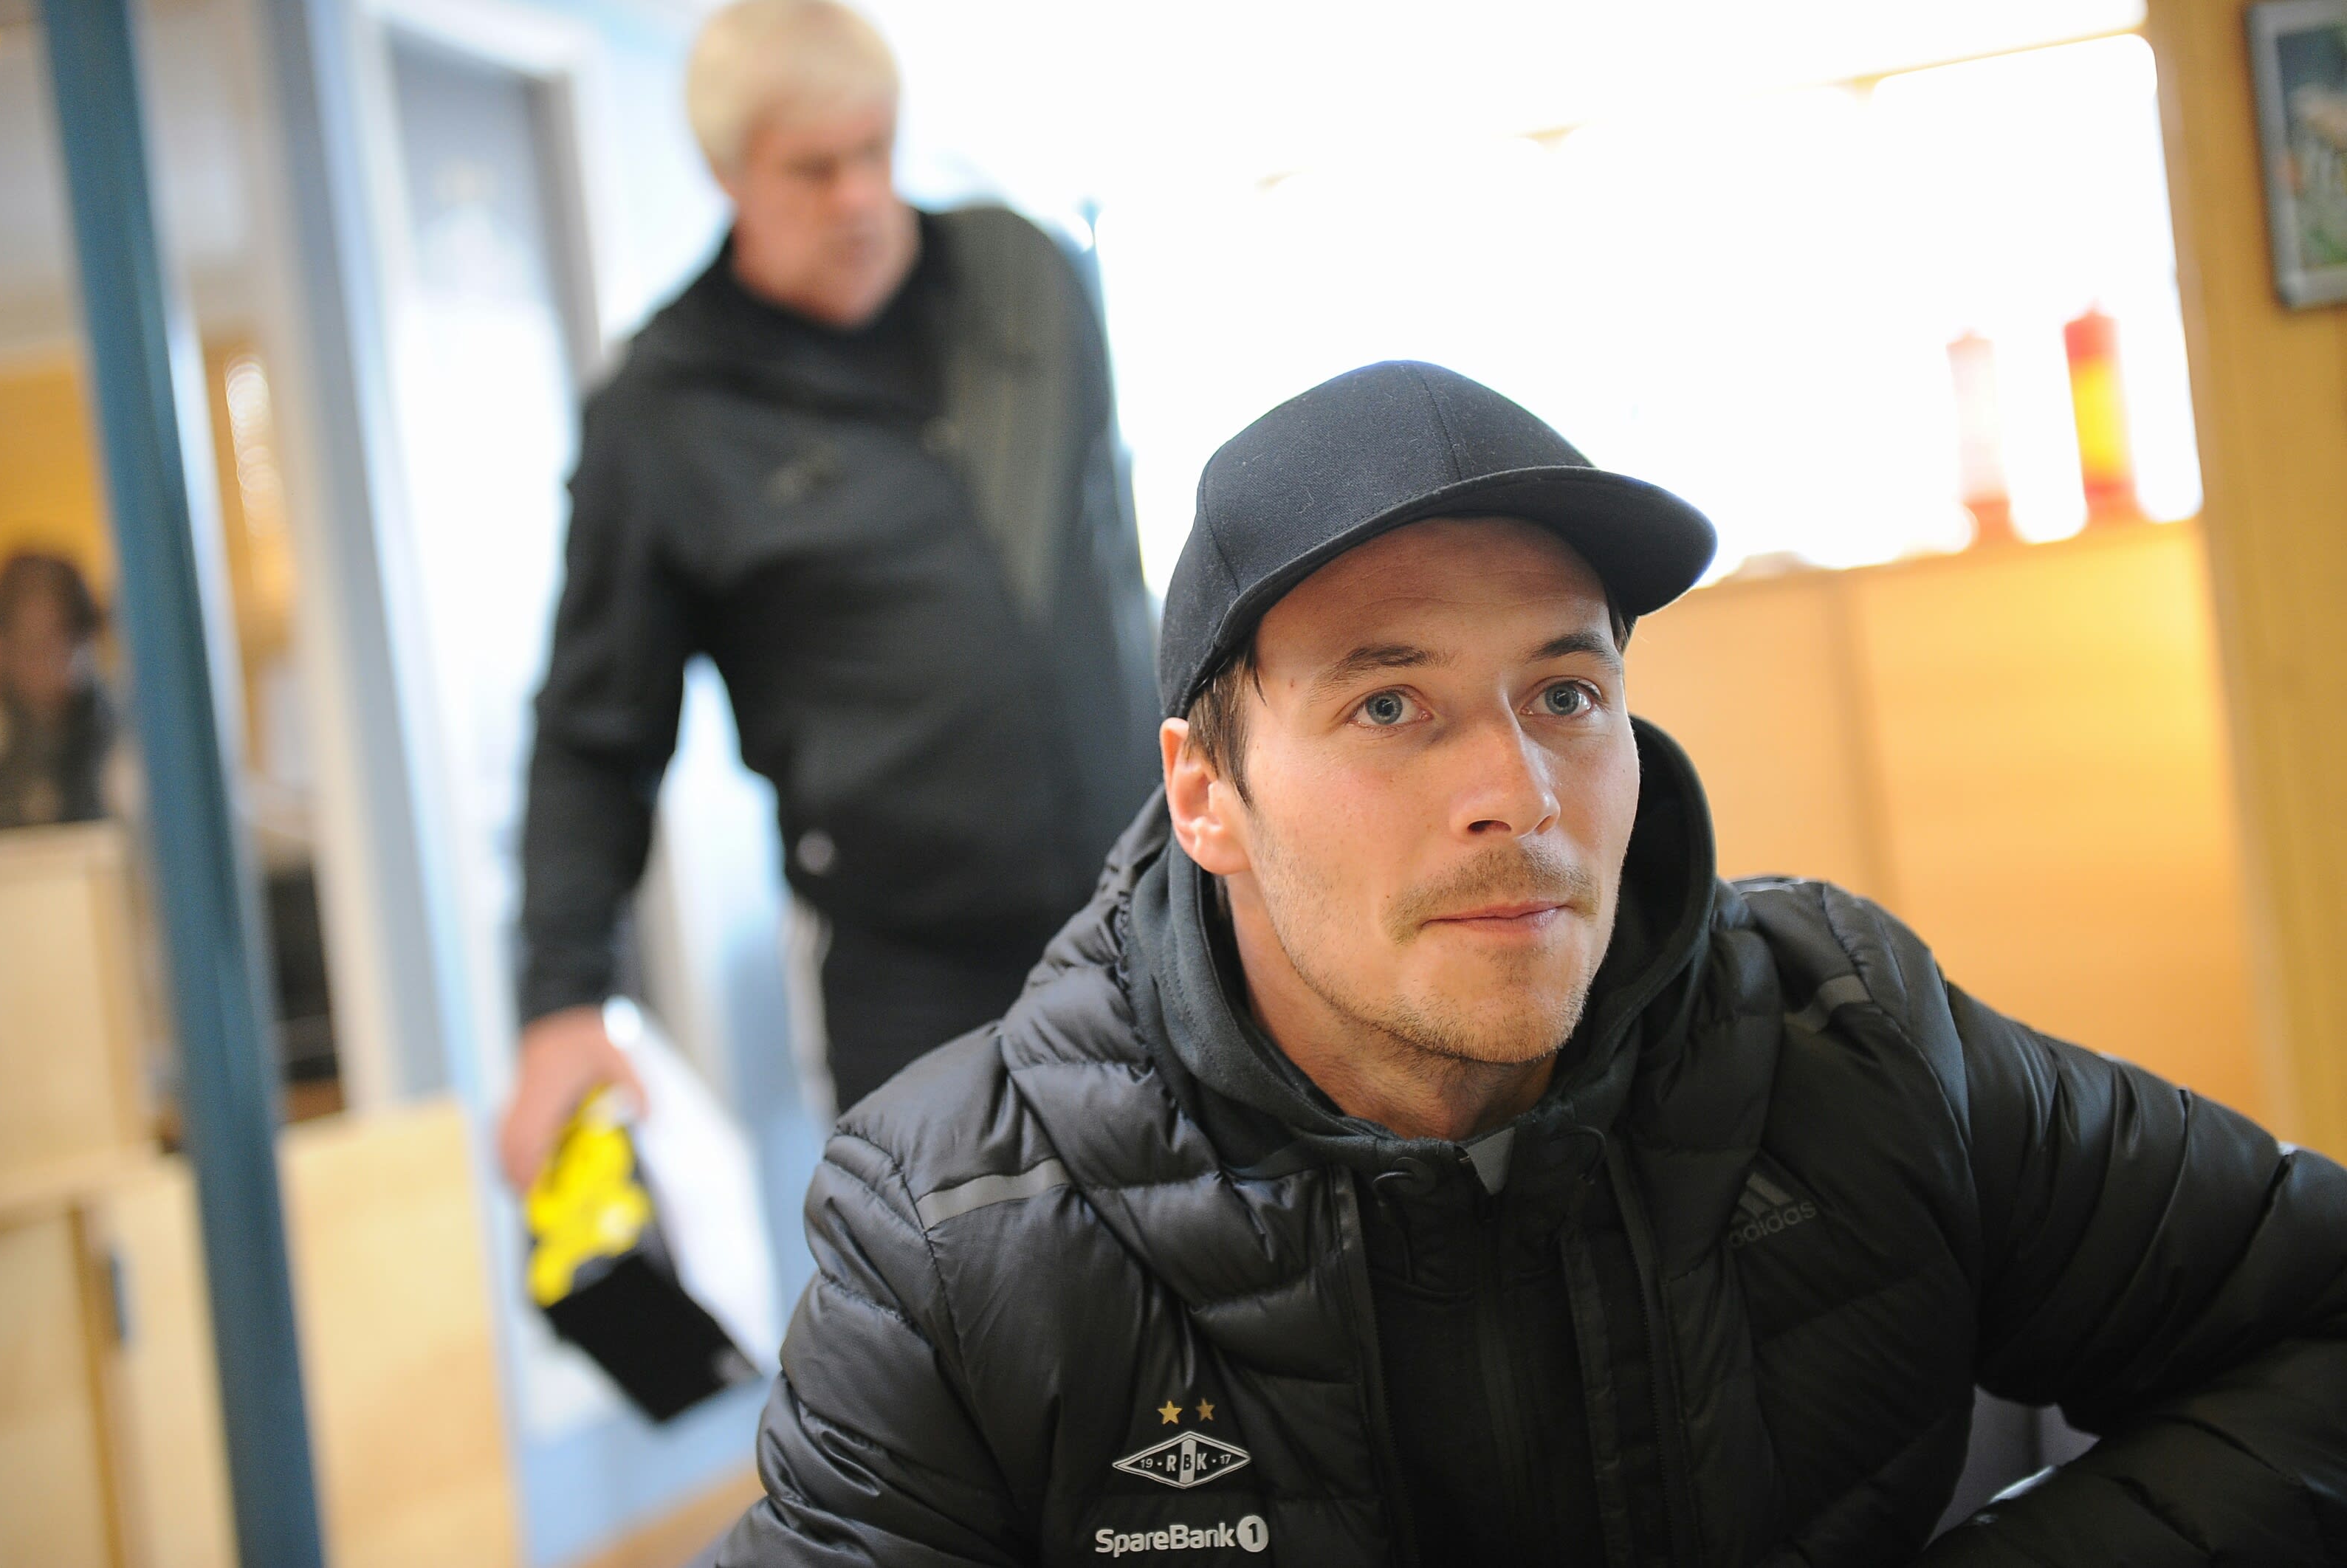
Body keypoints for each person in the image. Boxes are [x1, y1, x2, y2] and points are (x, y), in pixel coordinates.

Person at [715, 362, 2347, 1565]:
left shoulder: (1846, 1033)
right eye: (1389, 704)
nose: (1516, 789)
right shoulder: (959, 1227)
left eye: (1565, 693)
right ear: (1205, 794)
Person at [498, 0, 1157, 1188]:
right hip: (925, 983)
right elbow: (594, 737)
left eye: (876, 151)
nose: (860, 199)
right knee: (970, 1290)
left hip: (1156, 902)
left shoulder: (1025, 276)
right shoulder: (665, 418)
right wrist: (561, 1000)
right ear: (725, 173)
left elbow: (1117, 555)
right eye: (813, 169)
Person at [0, 551, 117, 831]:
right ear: (1, 647)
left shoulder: (119, 740)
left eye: (61, 644)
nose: (46, 665)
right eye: (30, 647)